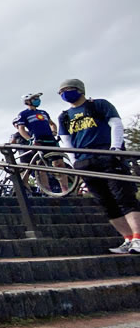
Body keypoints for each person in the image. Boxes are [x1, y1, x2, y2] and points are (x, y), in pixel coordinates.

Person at [56, 79, 140, 254]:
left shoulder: (99, 105)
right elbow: (66, 140)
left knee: (124, 197)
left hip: (106, 155)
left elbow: (115, 123)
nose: (64, 94)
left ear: (79, 90)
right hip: (85, 161)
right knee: (106, 202)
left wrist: (115, 148)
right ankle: (128, 239)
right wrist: (74, 161)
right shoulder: (64, 116)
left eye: (68, 89)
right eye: (61, 92)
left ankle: (138, 237)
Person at [16, 92, 67, 191]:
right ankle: (46, 190)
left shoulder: (43, 112)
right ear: (27, 102)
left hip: (50, 139)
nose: (37, 100)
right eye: (34, 98)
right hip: (38, 140)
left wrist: (54, 131)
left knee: (59, 163)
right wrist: (29, 139)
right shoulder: (23, 114)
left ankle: (65, 189)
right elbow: (21, 129)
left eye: (37, 98)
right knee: (41, 167)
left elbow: (52, 124)